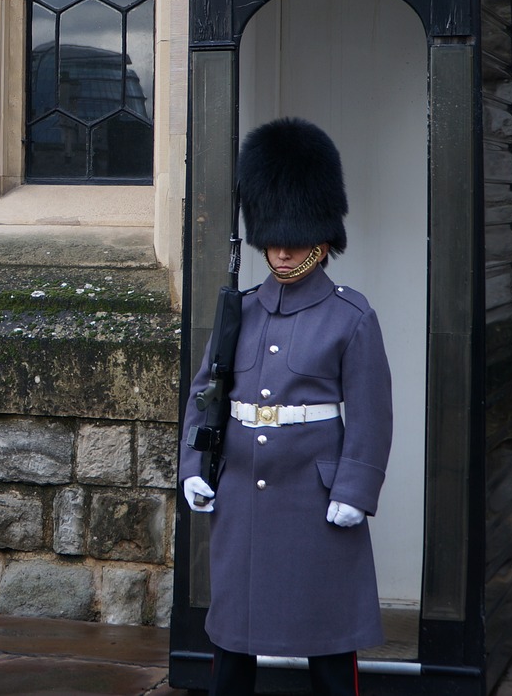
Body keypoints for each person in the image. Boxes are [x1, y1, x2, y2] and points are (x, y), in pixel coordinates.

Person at [180, 118, 394, 696]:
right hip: (244, 494)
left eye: (291, 240)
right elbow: (209, 394)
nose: (279, 251)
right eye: (272, 240)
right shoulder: (241, 310)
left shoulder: (351, 317)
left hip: (313, 496)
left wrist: (354, 491)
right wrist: (194, 468)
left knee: (328, 643)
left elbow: (371, 416)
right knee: (232, 641)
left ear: (320, 236)